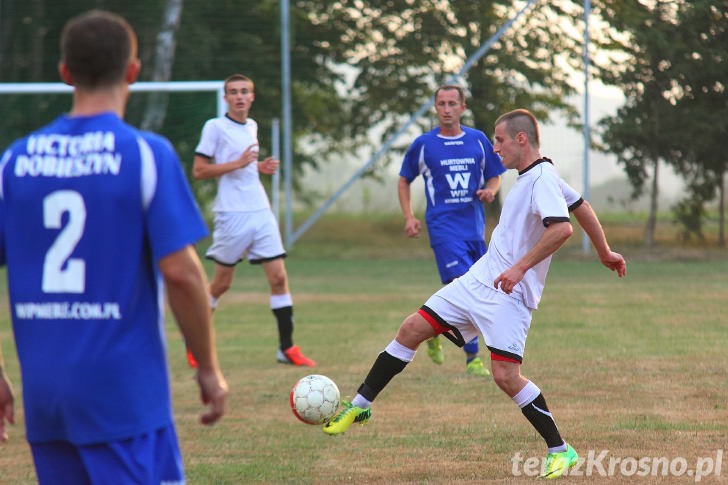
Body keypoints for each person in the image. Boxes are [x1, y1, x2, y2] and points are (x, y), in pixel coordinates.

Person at [323, 109, 626, 480]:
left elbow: (561, 229)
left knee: (505, 376)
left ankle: (561, 450)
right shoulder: (538, 175)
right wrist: (604, 251)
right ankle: (360, 405)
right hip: (477, 280)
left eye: (498, 140)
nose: (494, 148)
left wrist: (519, 268)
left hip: (509, 295)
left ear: (520, 140)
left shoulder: (541, 179)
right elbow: (582, 207)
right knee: (410, 330)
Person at [0, 10, 229, 484]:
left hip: (47, 398)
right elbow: (183, 274)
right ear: (133, 71)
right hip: (123, 398)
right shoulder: (145, 155)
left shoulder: (14, 162)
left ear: (64, 74)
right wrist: (207, 367)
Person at [190, 74, 314, 367]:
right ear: (226, 98)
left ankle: (286, 348)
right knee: (221, 284)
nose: (240, 96)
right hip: (231, 215)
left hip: (260, 210)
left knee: (279, 278)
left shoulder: (253, 126)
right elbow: (199, 170)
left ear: (252, 97)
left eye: (244, 91)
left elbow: (244, 167)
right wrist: (240, 163)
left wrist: (259, 166)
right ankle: (195, 342)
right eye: (233, 92)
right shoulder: (215, 127)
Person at [398, 85, 506, 376]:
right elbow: (404, 179)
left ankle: (432, 332)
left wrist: (491, 191)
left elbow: (494, 175)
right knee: (464, 286)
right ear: (435, 108)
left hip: (473, 228)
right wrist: (409, 216)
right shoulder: (424, 144)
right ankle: (473, 360)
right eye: (441, 103)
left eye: (452, 103)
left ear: (462, 107)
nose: (446, 109)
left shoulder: (478, 140)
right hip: (443, 228)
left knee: (478, 289)